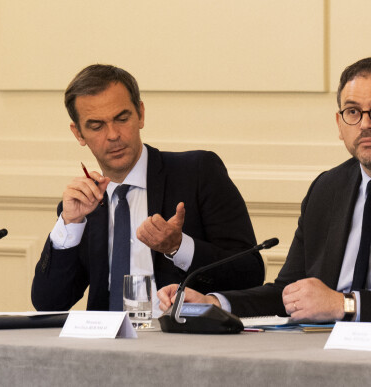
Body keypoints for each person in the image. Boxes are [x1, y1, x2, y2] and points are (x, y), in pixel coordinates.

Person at [157, 52, 371, 325]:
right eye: (353, 112)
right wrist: (215, 302)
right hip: (332, 349)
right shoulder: (327, 188)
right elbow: (289, 293)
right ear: (340, 125)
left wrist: (344, 305)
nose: (366, 123)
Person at [32, 64, 264, 317]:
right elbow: (49, 303)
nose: (113, 135)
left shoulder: (197, 173)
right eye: (97, 126)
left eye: (122, 119)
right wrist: (69, 224)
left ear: (140, 114)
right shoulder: (83, 205)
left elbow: (250, 274)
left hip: (182, 342)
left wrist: (179, 247)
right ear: (78, 133)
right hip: (104, 347)